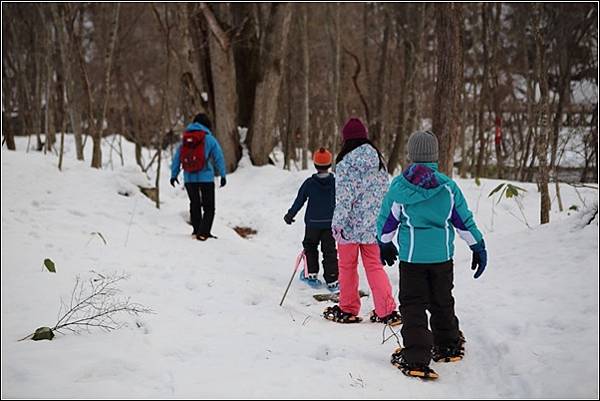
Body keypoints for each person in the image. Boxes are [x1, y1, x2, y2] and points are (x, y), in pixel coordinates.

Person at [376, 130, 488, 379]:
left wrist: (384, 243)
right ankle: (448, 343)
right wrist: (477, 246)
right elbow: (462, 221)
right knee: (441, 300)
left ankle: (416, 356)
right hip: (441, 259)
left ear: (411, 155)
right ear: (435, 156)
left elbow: (387, 221)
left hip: (412, 260)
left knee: (413, 306)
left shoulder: (400, 187)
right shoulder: (448, 187)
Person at [323, 117, 401, 325]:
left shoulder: (345, 162)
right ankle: (386, 310)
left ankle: (348, 308)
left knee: (347, 266)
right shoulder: (378, 160)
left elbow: (345, 197)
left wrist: (337, 224)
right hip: (373, 227)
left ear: (346, 140)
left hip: (349, 227)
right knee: (374, 266)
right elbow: (385, 192)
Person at [284, 148, 339, 291]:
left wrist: (290, 215)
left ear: (315, 164)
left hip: (312, 224)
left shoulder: (309, 183)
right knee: (330, 251)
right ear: (329, 164)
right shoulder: (335, 182)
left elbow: (299, 201)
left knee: (310, 248)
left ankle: (312, 275)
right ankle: (332, 280)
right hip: (329, 223)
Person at [171, 113, 227, 241]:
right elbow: (219, 157)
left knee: (194, 204)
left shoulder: (185, 138)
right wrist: (222, 174)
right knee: (209, 207)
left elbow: (177, 158)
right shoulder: (209, 139)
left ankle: (197, 230)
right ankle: (204, 232)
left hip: (189, 178)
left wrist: (174, 175)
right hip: (206, 177)